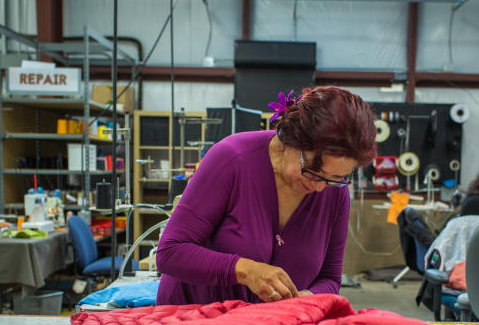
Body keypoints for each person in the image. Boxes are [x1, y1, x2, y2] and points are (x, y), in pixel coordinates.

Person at [155, 86, 377, 305]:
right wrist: (243, 269)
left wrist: (308, 299)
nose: (320, 188)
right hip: (191, 322)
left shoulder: (334, 192)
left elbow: (329, 278)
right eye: (312, 171)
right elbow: (170, 252)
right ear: (291, 140)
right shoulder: (232, 159)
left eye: (335, 177)